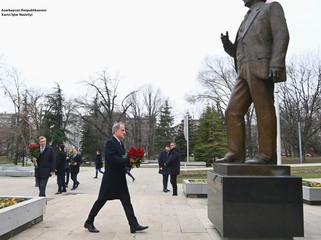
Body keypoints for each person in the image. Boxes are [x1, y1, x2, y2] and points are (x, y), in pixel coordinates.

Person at [218, 0, 289, 164]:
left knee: (263, 110)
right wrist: (228, 46)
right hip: (243, 69)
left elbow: (281, 34)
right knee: (232, 111)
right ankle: (235, 154)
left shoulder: (271, 8)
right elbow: (242, 49)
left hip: (261, 66)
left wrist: (277, 62)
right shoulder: (246, 17)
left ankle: (267, 154)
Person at [84, 122, 148, 234]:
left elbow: (121, 160)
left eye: (124, 130)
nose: (125, 132)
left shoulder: (120, 143)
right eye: (122, 130)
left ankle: (133, 225)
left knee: (126, 201)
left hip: (120, 179)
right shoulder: (110, 143)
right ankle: (89, 222)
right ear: (116, 131)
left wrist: (129, 166)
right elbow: (113, 159)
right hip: (111, 179)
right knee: (101, 200)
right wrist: (128, 160)